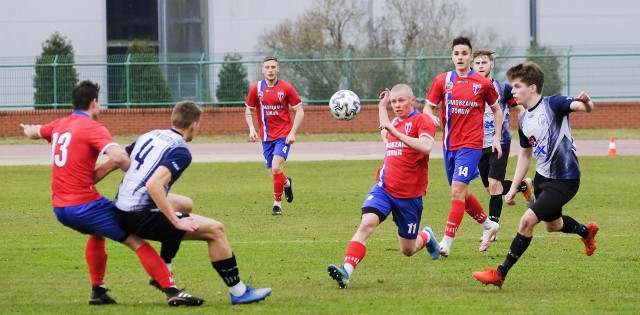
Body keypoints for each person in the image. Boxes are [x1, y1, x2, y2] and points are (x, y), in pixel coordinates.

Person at [19, 80, 203, 306]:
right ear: (94, 102)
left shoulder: (60, 124)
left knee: (97, 234)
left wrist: (27, 128)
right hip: (84, 205)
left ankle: (98, 291)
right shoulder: (92, 127)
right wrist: (127, 171)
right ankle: (171, 291)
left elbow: (33, 132)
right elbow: (120, 157)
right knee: (137, 241)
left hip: (60, 207)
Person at [114, 100, 272, 305]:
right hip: (140, 216)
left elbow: (117, 160)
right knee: (216, 230)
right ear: (194, 125)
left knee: (185, 204)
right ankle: (239, 291)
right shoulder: (181, 151)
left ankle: (163, 269)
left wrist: (88, 183)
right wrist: (175, 221)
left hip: (120, 209)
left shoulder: (150, 135)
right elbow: (154, 186)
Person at [472, 61, 599, 287]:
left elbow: (582, 108)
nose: (513, 91)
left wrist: (587, 103)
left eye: (517, 85)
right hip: (542, 179)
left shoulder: (554, 104)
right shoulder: (524, 119)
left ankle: (499, 274)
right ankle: (585, 232)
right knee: (554, 225)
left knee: (527, 221)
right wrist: (512, 189)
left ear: (532, 87)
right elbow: (525, 156)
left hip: (565, 179)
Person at [327, 84, 440, 289]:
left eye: (401, 101)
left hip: (410, 197)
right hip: (384, 188)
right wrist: (381, 107)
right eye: (393, 102)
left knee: (408, 249)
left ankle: (426, 236)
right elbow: (386, 136)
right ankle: (346, 272)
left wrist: (396, 133)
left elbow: (425, 147)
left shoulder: (422, 120)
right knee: (366, 224)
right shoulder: (394, 123)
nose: (396, 105)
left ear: (412, 100)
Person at [422, 36, 502, 256]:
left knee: (457, 192)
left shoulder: (483, 84)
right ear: (452, 56)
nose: (460, 57)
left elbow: (497, 110)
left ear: (471, 56)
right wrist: (430, 118)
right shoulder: (443, 81)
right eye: (456, 53)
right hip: (449, 146)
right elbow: (427, 108)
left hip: (471, 145)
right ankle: (488, 225)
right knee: (462, 193)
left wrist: (496, 138)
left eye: (464, 53)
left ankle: (446, 242)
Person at [473, 50, 535, 242]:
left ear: (491, 65)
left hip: (500, 142)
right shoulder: (469, 89)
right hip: (477, 144)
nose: (481, 66)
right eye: (477, 63)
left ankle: (492, 228)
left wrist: (528, 124)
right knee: (492, 187)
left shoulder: (503, 89)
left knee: (494, 185)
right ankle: (523, 186)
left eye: (484, 62)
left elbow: (519, 107)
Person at [244, 56, 305, 215]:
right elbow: (248, 110)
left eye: (273, 67)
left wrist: (292, 133)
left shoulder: (286, 88)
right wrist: (251, 128)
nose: (270, 70)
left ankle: (277, 205)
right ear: (262, 70)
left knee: (277, 167)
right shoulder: (256, 89)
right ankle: (286, 183)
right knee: (275, 175)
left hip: (283, 135)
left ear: (278, 69)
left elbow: (299, 111)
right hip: (266, 137)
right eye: (267, 67)